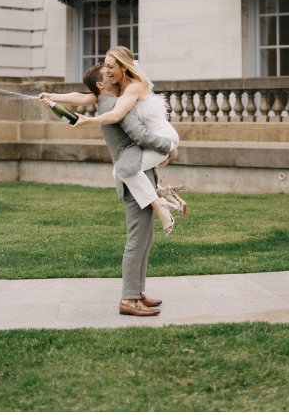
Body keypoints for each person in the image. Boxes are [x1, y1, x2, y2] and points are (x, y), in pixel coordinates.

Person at [39, 57, 184, 319]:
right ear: (101, 83)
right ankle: (129, 299)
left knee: (144, 240)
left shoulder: (104, 99)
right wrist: (169, 148)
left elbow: (79, 96)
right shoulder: (113, 103)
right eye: (107, 73)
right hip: (133, 182)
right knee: (137, 241)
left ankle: (137, 293)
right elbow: (138, 136)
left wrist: (52, 96)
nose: (112, 74)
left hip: (139, 176)